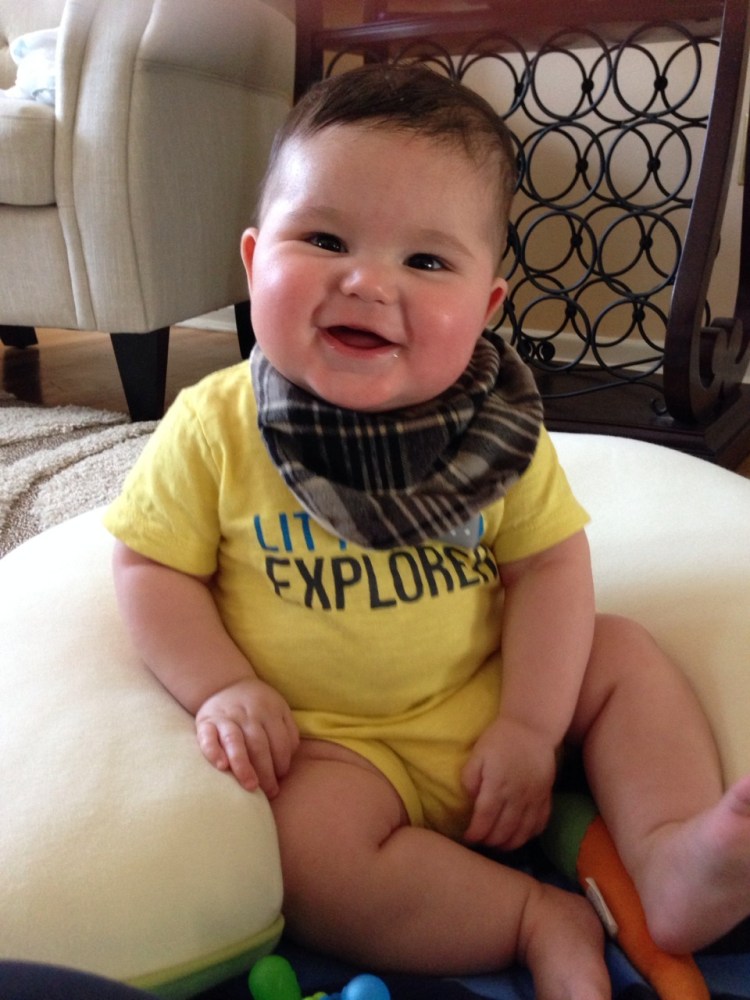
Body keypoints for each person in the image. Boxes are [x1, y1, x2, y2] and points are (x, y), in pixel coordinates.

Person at [105, 64, 750, 1000]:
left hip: (496, 691)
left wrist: (531, 727)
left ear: (488, 309)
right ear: (252, 262)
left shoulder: (495, 431)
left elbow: (548, 569)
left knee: (624, 655)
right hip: (340, 749)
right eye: (324, 239)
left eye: (427, 261)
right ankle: (530, 917)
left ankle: (671, 857)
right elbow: (149, 566)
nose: (368, 282)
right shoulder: (215, 425)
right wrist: (223, 686)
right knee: (309, 851)